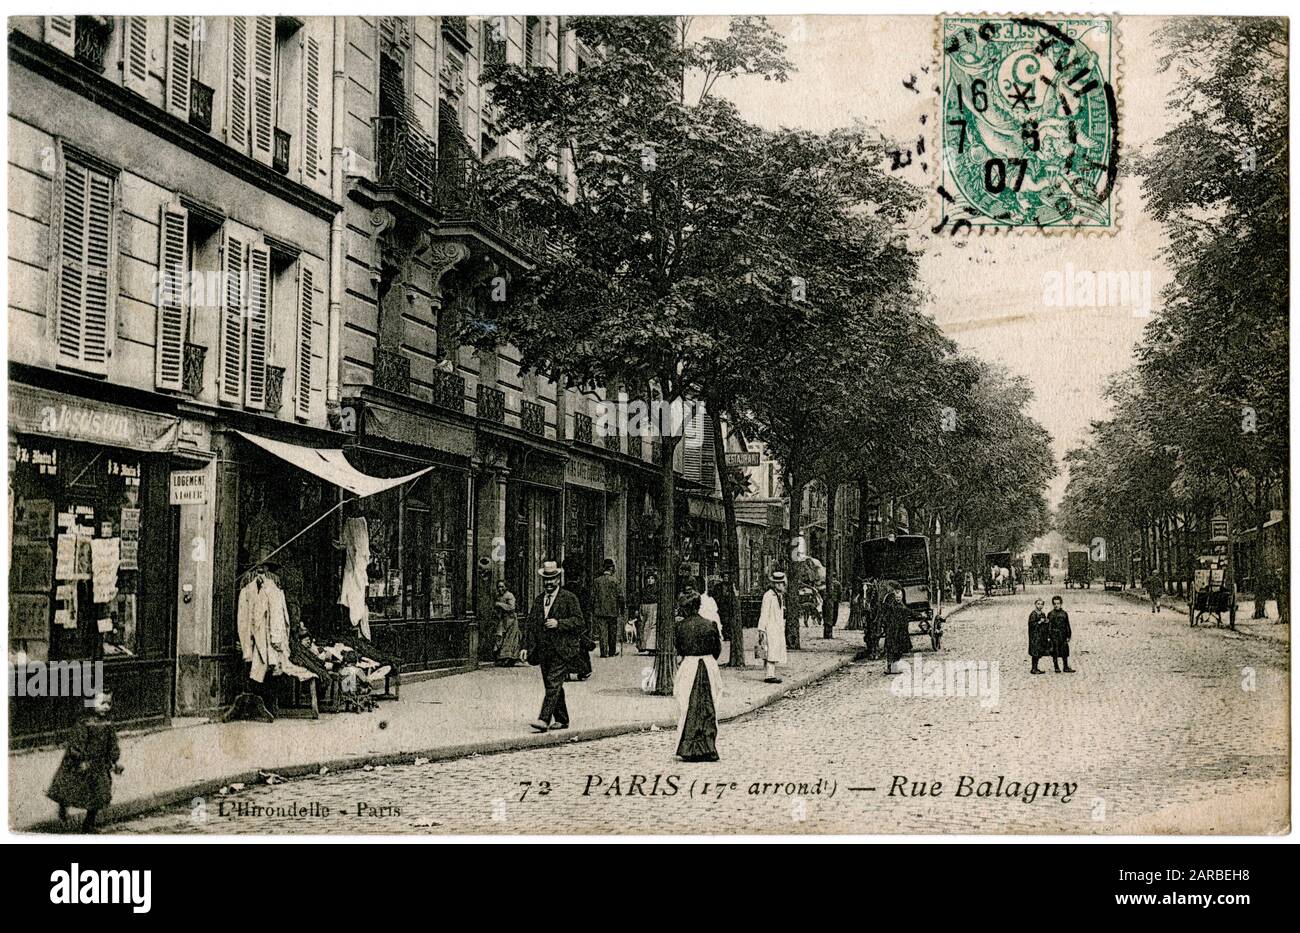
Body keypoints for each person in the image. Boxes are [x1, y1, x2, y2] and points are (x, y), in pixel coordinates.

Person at [522, 561, 587, 731]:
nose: (549, 583)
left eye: (552, 579)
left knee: (552, 683)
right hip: (544, 650)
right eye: (546, 579)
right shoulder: (538, 601)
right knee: (553, 685)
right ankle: (562, 719)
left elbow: (579, 622)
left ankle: (544, 720)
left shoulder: (569, 598)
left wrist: (559, 623)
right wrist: (525, 647)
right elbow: (530, 625)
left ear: (558, 579)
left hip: (564, 649)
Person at [47, 691, 123, 833]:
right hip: (81, 763)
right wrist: (80, 758)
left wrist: (114, 759)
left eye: (109, 704)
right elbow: (77, 743)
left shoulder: (108, 723)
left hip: (99, 765)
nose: (106, 707)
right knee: (71, 788)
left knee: (99, 794)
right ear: (91, 704)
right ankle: (63, 806)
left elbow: (112, 742)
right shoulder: (84, 722)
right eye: (102, 703)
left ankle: (88, 825)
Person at [674, 592, 723, 762]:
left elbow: (679, 648)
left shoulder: (680, 627)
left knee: (687, 704)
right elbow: (717, 649)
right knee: (709, 706)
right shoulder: (711, 624)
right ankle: (708, 746)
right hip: (708, 665)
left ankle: (688, 747)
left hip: (689, 666)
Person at [591, 558, 626, 658]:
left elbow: (593, 596)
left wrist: (593, 608)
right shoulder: (615, 581)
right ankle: (611, 651)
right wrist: (622, 609)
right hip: (613, 610)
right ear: (612, 569)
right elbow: (620, 597)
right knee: (612, 631)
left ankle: (603, 652)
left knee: (603, 632)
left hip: (600, 610)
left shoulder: (596, 581)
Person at [757, 570, 788, 683]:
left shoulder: (779, 596)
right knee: (770, 651)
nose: (779, 585)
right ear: (773, 584)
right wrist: (761, 629)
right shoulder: (768, 596)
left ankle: (771, 673)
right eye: (777, 583)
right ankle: (769, 675)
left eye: (781, 583)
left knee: (773, 650)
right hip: (770, 627)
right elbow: (764, 613)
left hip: (777, 627)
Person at [881, 582, 913, 674]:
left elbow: (909, 612)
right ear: (894, 597)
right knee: (890, 649)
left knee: (898, 650)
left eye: (899, 597)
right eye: (897, 597)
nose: (898, 599)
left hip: (900, 632)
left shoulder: (902, 607)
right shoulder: (892, 606)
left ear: (902, 598)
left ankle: (894, 667)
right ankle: (889, 667)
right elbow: (885, 614)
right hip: (892, 631)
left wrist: (918, 614)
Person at [494, 580, 522, 666]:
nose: (500, 589)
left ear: (506, 587)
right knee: (502, 637)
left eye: (502, 586)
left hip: (511, 620)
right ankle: (502, 658)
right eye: (499, 587)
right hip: (503, 620)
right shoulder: (498, 596)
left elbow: (512, 607)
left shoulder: (510, 595)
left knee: (510, 639)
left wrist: (500, 604)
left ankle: (510, 658)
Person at [1047, 595, 1075, 673]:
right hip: (1054, 635)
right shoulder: (1050, 614)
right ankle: (1056, 667)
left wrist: (1069, 635)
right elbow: (1048, 626)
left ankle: (1065, 667)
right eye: (1055, 604)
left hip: (1063, 634)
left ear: (1061, 604)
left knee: (1064, 651)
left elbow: (1067, 625)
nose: (1056, 605)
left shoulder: (1064, 614)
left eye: (1058, 603)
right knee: (1055, 651)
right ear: (1053, 604)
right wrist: (1048, 636)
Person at [638, 572, 659, 655]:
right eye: (649, 578)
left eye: (652, 578)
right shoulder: (644, 590)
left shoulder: (656, 589)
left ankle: (651, 647)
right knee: (644, 626)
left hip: (653, 606)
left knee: (651, 626)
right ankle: (643, 646)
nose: (650, 580)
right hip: (644, 607)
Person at [1027, 598, 1050, 674]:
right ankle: (1033, 668)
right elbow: (1031, 625)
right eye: (1038, 604)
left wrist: (1046, 622)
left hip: (1041, 636)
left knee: (1039, 651)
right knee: (1035, 652)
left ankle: (1036, 667)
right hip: (1034, 636)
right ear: (1035, 604)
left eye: (1041, 604)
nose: (1040, 606)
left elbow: (1045, 625)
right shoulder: (1033, 614)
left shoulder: (1043, 614)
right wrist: (1039, 622)